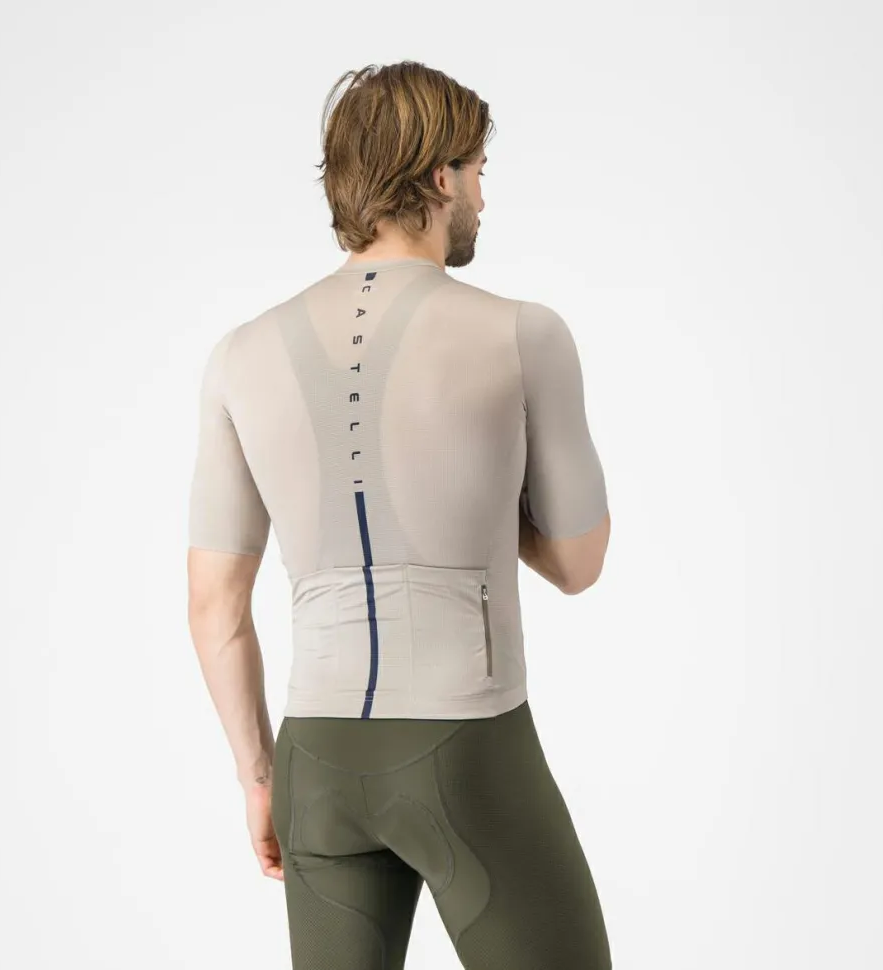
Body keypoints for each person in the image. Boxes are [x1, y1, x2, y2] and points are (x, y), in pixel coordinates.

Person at [186, 59, 613, 970]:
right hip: (469, 748)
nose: (485, 198)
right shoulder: (524, 333)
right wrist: (488, 495)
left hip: (315, 762)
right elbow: (580, 563)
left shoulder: (239, 356)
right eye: (480, 172)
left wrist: (260, 779)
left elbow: (214, 607)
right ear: (440, 177)